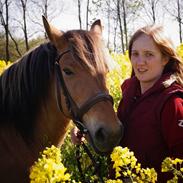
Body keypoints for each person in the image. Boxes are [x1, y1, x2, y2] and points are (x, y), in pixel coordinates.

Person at [71, 25, 183, 182]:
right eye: (135, 54)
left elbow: (180, 165)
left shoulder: (172, 103)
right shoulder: (130, 93)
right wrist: (86, 131)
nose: (140, 62)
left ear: (165, 59)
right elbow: (118, 139)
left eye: (149, 55)